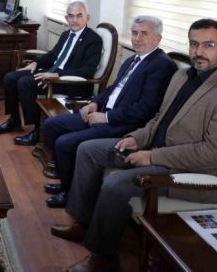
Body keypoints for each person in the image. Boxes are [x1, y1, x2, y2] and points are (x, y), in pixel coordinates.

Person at [52, 19, 217, 272]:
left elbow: (214, 154)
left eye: (209, 45)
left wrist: (152, 157)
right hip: (152, 148)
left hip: (188, 171)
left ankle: (104, 258)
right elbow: (159, 119)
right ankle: (84, 223)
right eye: (194, 44)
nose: (199, 51)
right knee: (88, 150)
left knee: (116, 183)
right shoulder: (182, 76)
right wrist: (137, 138)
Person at [41, 16, 176, 208]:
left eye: (144, 34)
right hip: (104, 113)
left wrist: (106, 117)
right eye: (135, 33)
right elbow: (113, 88)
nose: (137, 38)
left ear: (158, 38)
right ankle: (67, 182)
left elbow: (146, 109)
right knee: (51, 125)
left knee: (65, 142)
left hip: (123, 125)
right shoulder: (131, 60)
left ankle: (69, 193)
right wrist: (94, 103)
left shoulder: (162, 65)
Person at [0, 1, 103, 146]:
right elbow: (53, 55)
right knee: (10, 77)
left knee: (26, 83)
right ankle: (14, 120)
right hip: (53, 73)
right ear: (66, 18)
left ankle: (36, 131)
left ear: (87, 17)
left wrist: (58, 75)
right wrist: (36, 63)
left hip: (70, 81)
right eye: (71, 16)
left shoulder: (93, 40)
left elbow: (88, 70)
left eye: (79, 16)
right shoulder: (66, 34)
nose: (74, 20)